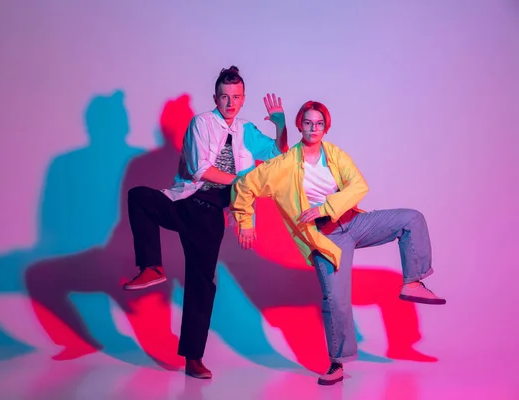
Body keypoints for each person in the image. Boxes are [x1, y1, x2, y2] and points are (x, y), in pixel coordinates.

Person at [231, 100, 445, 385]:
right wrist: (246, 223)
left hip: (353, 223)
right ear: (300, 125)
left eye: (319, 123)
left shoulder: (334, 154)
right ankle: (337, 364)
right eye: (308, 123)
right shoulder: (282, 166)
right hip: (325, 239)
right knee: (337, 301)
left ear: (325, 127)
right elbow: (243, 187)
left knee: (412, 219)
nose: (313, 128)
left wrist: (324, 207)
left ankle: (412, 281)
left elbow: (359, 185)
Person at [121, 66, 288, 379]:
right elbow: (201, 170)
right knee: (140, 196)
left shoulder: (246, 130)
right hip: (186, 202)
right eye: (224, 97)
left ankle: (193, 358)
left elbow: (279, 154)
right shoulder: (201, 122)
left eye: (236, 97)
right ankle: (151, 267)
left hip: (211, 216)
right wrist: (243, 184)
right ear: (216, 97)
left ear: (243, 99)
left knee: (201, 284)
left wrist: (280, 125)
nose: (230, 103)